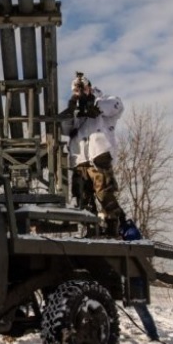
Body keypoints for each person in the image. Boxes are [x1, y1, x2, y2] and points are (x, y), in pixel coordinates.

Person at [60, 71, 140, 239]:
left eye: (81, 89)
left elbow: (117, 105)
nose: (79, 92)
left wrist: (95, 105)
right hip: (79, 159)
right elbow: (65, 128)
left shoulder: (103, 101)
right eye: (76, 90)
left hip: (98, 156)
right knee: (83, 197)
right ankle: (91, 229)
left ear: (89, 87)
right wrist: (73, 106)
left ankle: (114, 226)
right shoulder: (77, 111)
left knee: (104, 192)